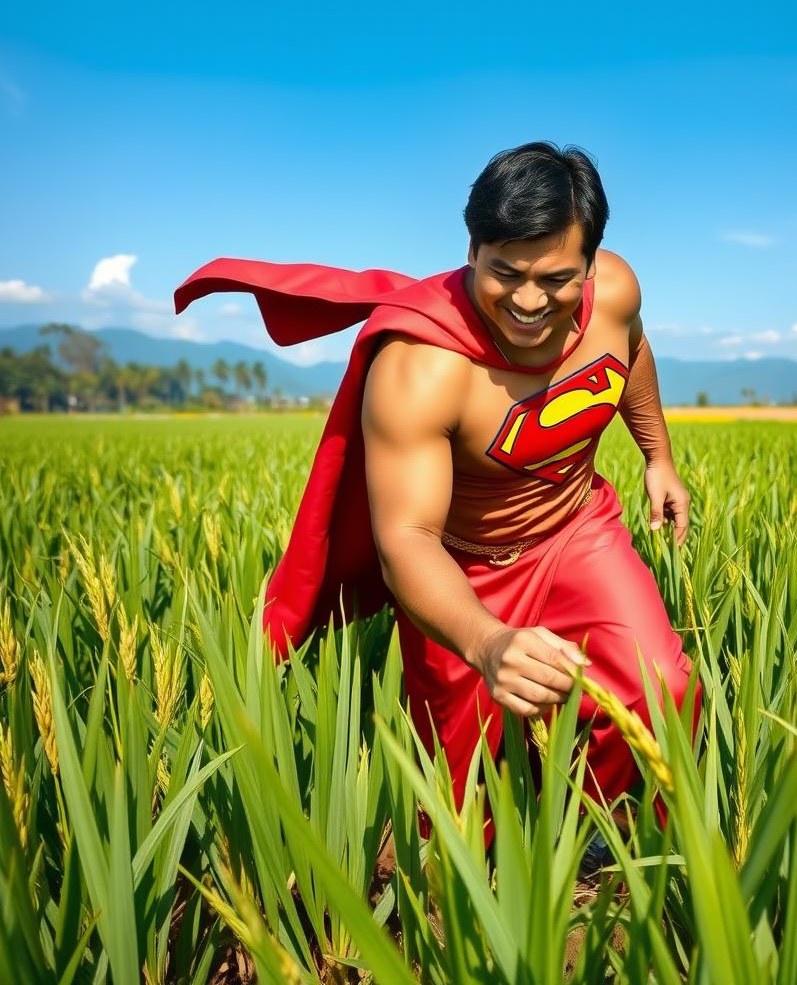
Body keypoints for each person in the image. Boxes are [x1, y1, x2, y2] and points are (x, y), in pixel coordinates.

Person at [173, 141, 701, 841]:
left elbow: (630, 353)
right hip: (463, 566)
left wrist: (656, 457)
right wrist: (485, 642)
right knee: (457, 812)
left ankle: (591, 839)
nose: (529, 301)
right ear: (472, 250)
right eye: (504, 273)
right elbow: (407, 539)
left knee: (662, 687)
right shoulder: (420, 367)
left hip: (578, 529)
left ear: (591, 261)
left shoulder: (617, 293)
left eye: (558, 278)